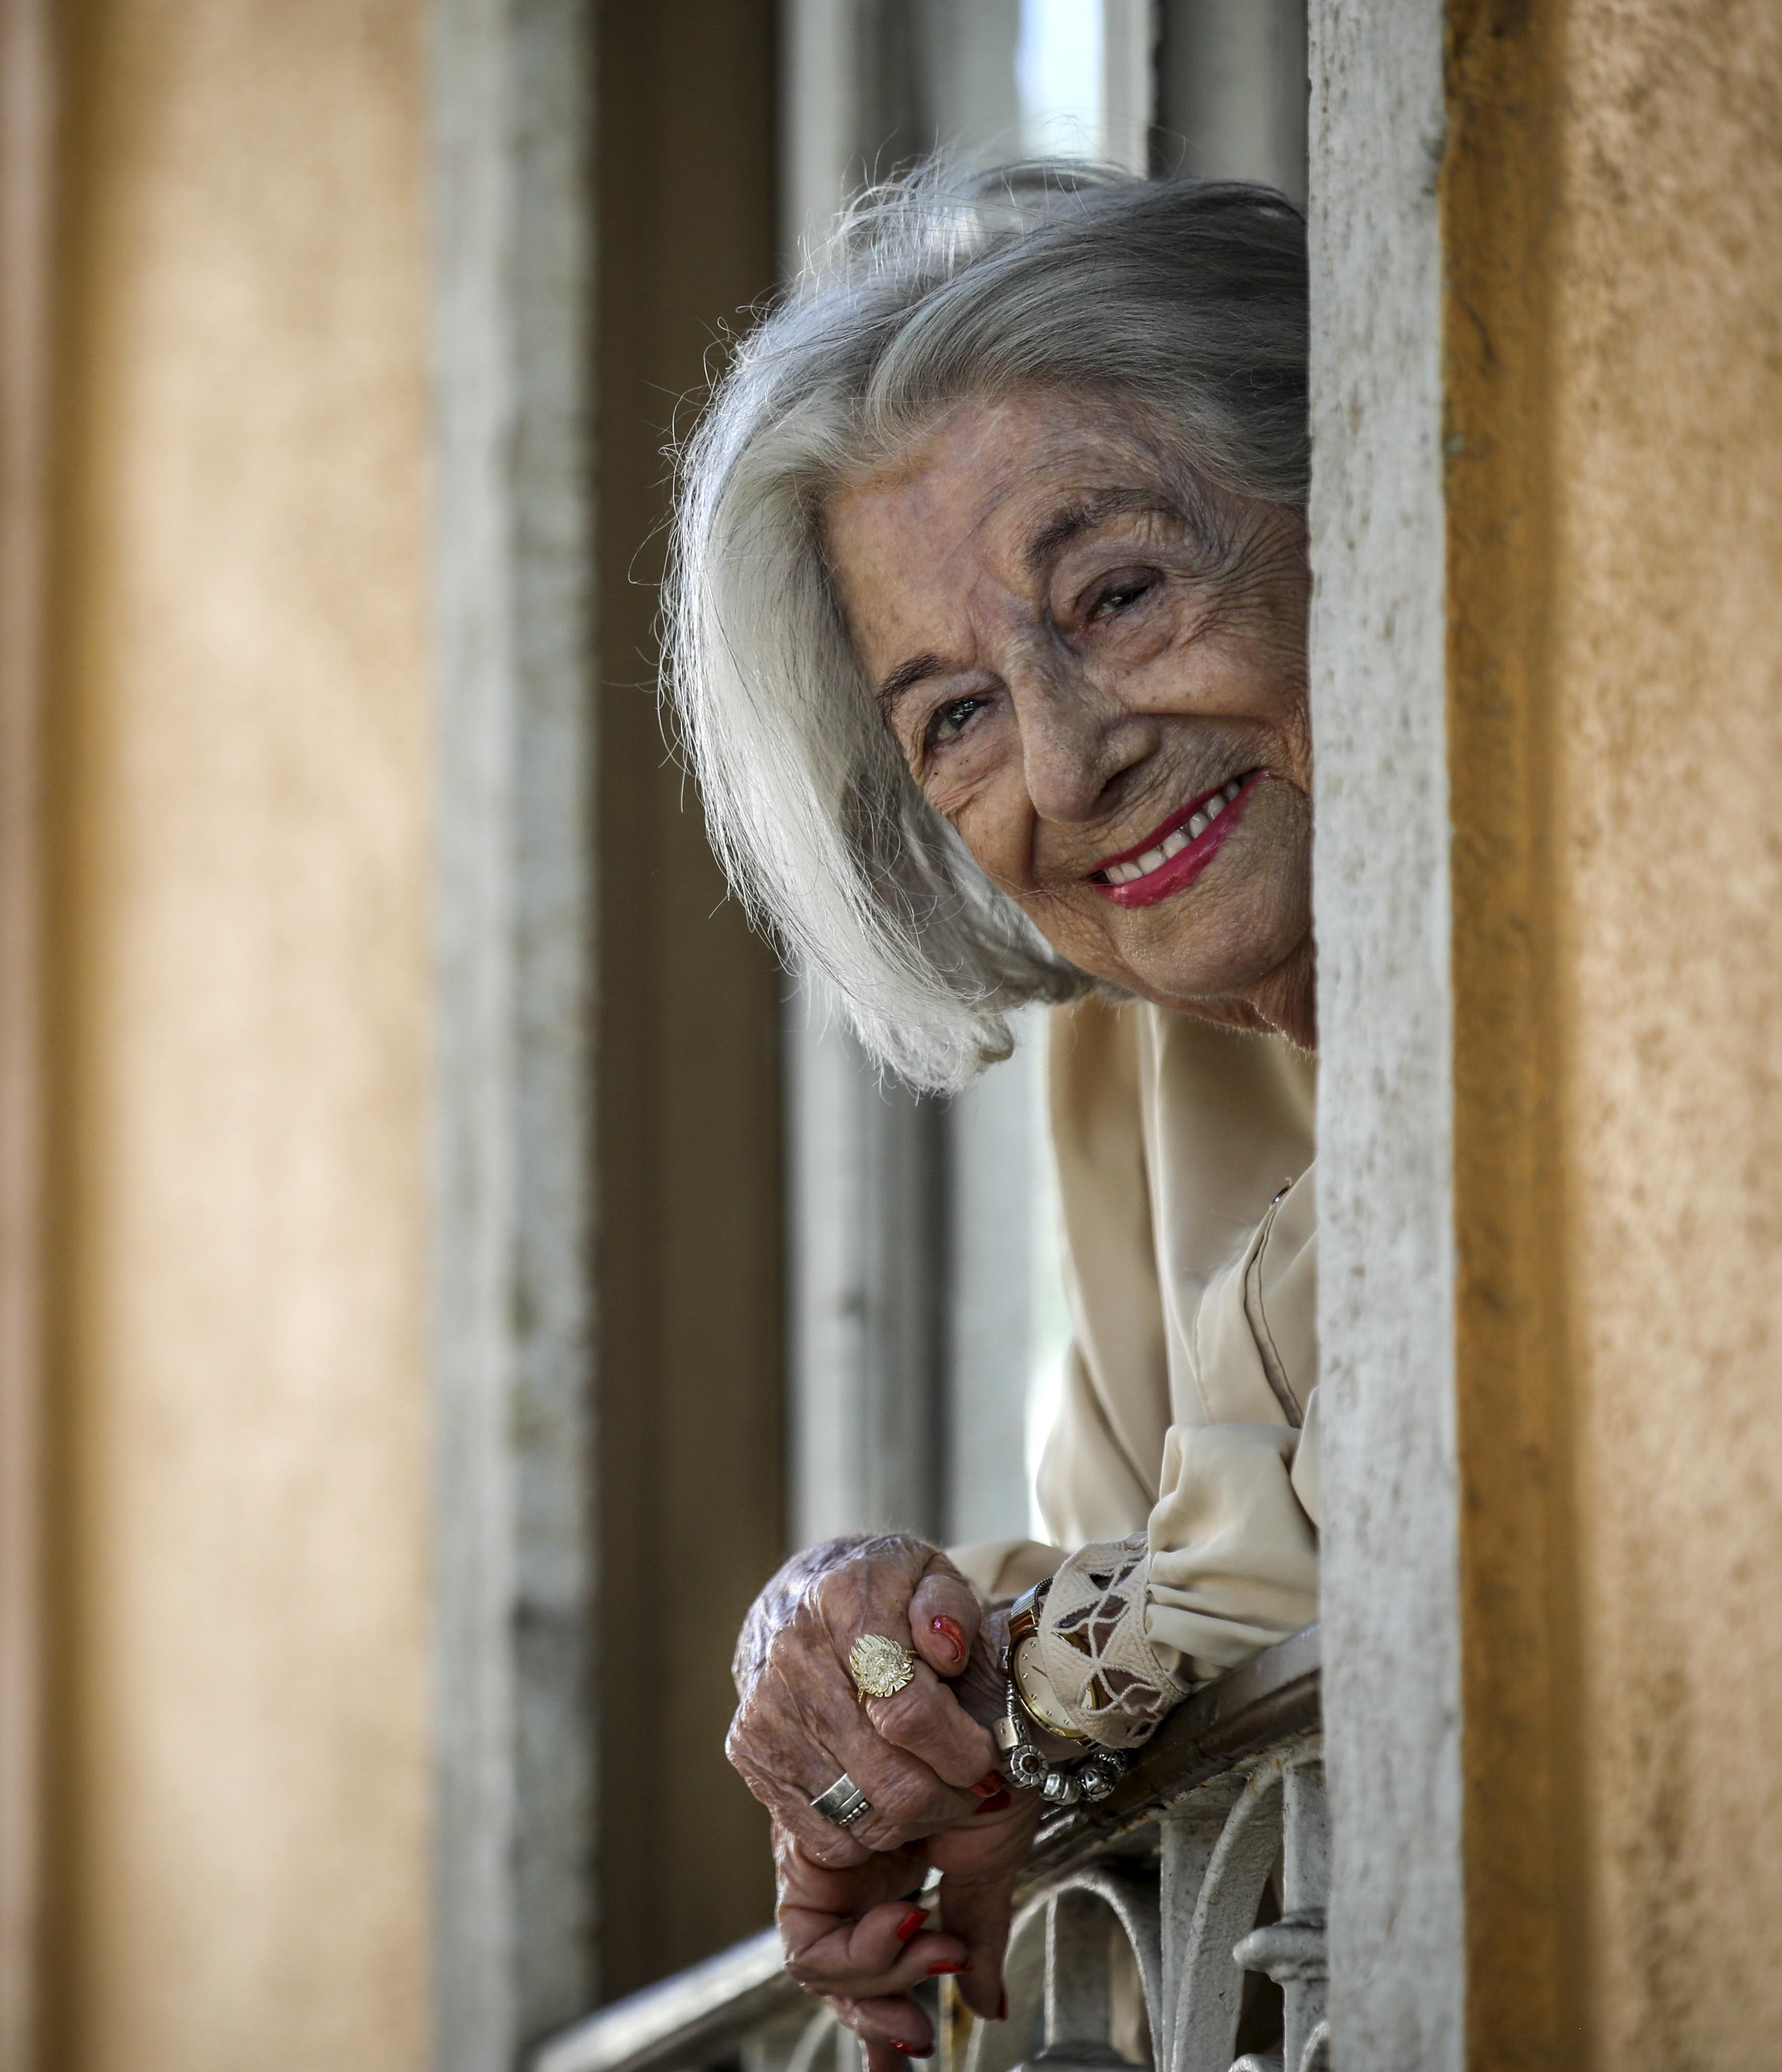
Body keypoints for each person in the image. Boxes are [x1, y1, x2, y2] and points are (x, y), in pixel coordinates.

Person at [665, 164, 1322, 2067]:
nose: (1065, 757)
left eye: (1119, 594)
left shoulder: (1620, 963)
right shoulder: (1141, 1066)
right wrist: (913, 1693)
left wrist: (1027, 1682)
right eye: (950, 714)